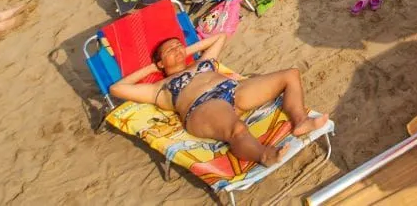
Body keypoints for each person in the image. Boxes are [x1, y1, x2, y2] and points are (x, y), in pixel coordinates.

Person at [107, 32, 326, 169]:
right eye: (170, 50)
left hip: (233, 90)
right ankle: (265, 155)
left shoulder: (202, 62)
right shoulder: (159, 88)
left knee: (290, 74)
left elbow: (220, 37)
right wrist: (153, 68)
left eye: (178, 45)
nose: (177, 49)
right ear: (160, 63)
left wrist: (183, 51)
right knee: (237, 129)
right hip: (202, 106)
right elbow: (116, 89)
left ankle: (300, 121)